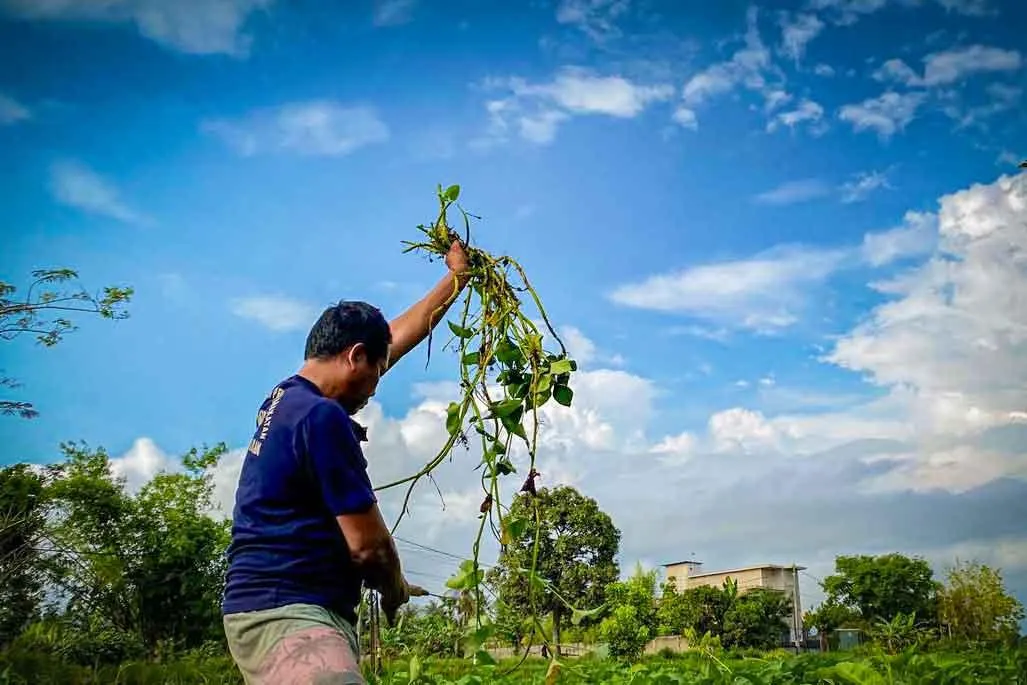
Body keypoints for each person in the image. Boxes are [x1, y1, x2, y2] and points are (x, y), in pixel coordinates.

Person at [221, 239, 471, 684]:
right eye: (377, 370)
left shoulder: (287, 399)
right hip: (289, 615)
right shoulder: (321, 417)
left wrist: (454, 282)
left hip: (269, 609)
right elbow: (368, 546)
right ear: (355, 356)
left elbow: (393, 340)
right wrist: (394, 587)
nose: (376, 387)